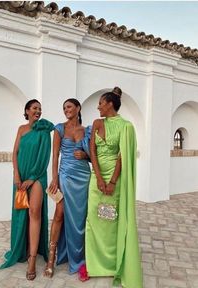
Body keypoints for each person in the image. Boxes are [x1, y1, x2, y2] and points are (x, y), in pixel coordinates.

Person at [85, 87, 143, 288]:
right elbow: (92, 150)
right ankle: (95, 264)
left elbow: (122, 156)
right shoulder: (97, 123)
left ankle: (113, 263)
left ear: (110, 104)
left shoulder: (126, 126)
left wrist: (111, 182)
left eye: (101, 103)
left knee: (111, 219)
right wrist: (99, 178)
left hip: (115, 180)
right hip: (96, 177)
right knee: (94, 218)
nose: (98, 106)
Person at [0, 99, 54, 281]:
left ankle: (32, 259)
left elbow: (45, 155)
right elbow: (15, 153)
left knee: (34, 212)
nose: (38, 111)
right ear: (27, 111)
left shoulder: (45, 129)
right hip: (21, 176)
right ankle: (22, 248)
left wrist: (32, 177)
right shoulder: (21, 129)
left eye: (40, 108)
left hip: (37, 176)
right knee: (21, 212)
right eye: (34, 108)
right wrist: (16, 175)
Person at [44, 98, 91, 280]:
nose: (66, 110)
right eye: (64, 108)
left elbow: (92, 156)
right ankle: (51, 258)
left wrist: (85, 154)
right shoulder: (59, 128)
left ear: (78, 108)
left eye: (69, 107)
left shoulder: (87, 130)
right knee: (59, 213)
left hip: (83, 177)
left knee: (80, 217)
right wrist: (55, 178)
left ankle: (79, 258)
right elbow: (55, 155)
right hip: (64, 175)